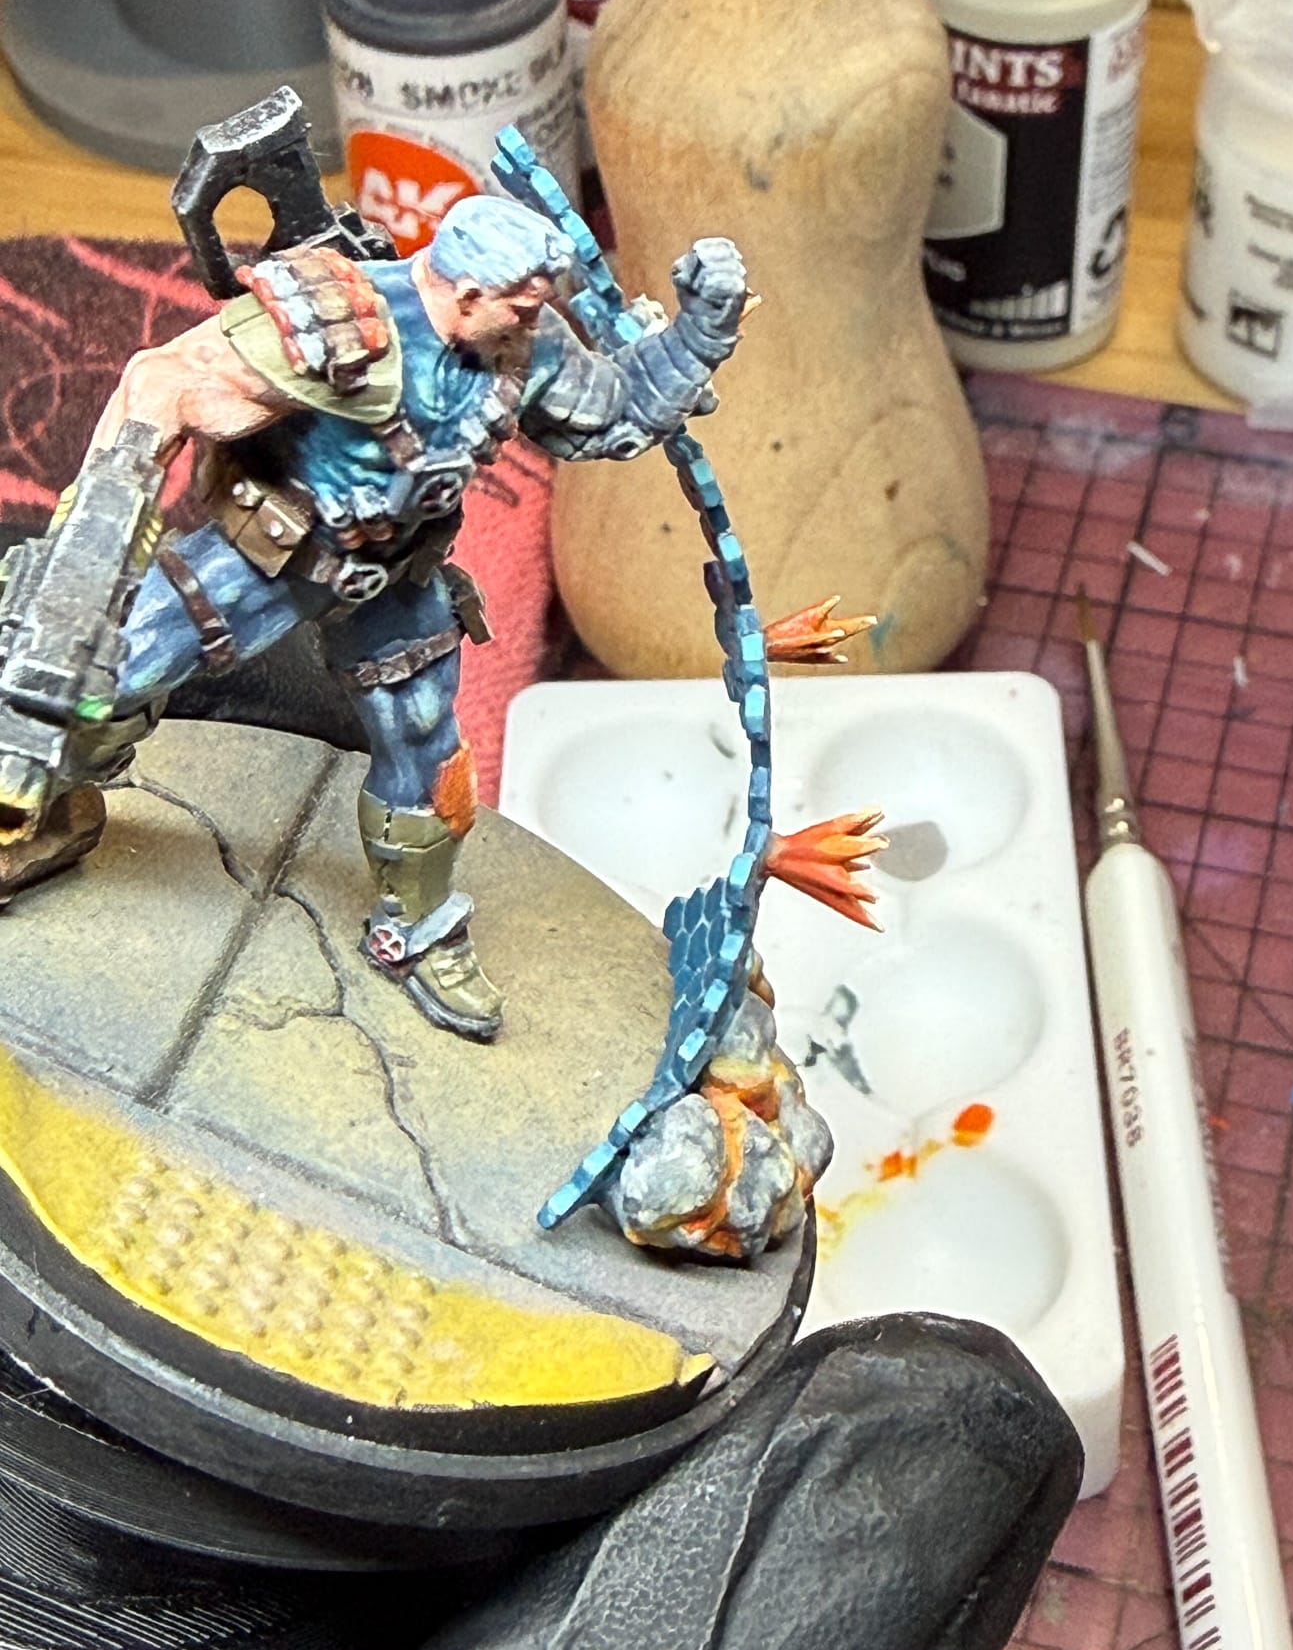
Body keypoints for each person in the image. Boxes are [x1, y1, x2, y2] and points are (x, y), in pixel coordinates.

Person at [0, 195, 748, 1041]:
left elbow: (616, 411)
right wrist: (96, 542)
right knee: (100, 676)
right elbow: (160, 381)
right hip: (266, 557)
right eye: (519, 306)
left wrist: (702, 328)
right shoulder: (335, 319)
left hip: (394, 578)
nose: (533, 321)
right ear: (466, 292)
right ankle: (42, 811)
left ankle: (415, 931)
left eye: (537, 307)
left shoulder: (522, 345)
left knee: (428, 755)